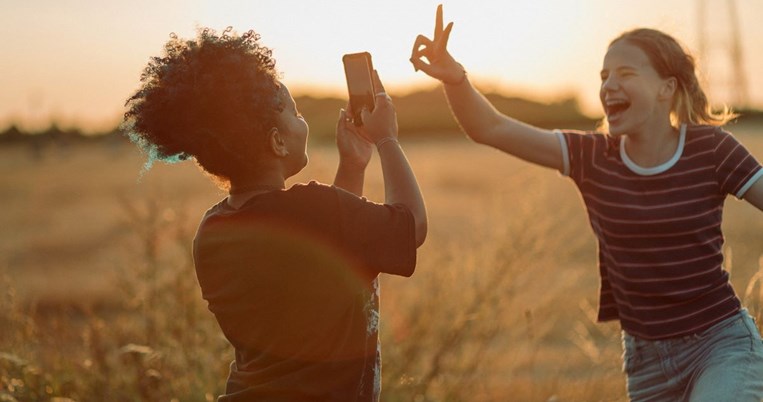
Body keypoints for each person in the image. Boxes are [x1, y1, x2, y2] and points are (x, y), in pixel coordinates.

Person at [411, 5, 763, 401]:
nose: (609, 85)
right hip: (646, 363)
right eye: (604, 76)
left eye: (626, 73)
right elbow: (490, 127)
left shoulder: (710, 149)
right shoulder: (593, 158)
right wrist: (455, 78)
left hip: (720, 345)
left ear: (667, 87)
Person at [123, 27, 427, 401]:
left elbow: (323, 259)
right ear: (277, 141)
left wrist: (353, 165)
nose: (303, 121)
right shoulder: (313, 210)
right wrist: (387, 139)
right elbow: (410, 226)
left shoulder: (213, 231)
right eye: (295, 113)